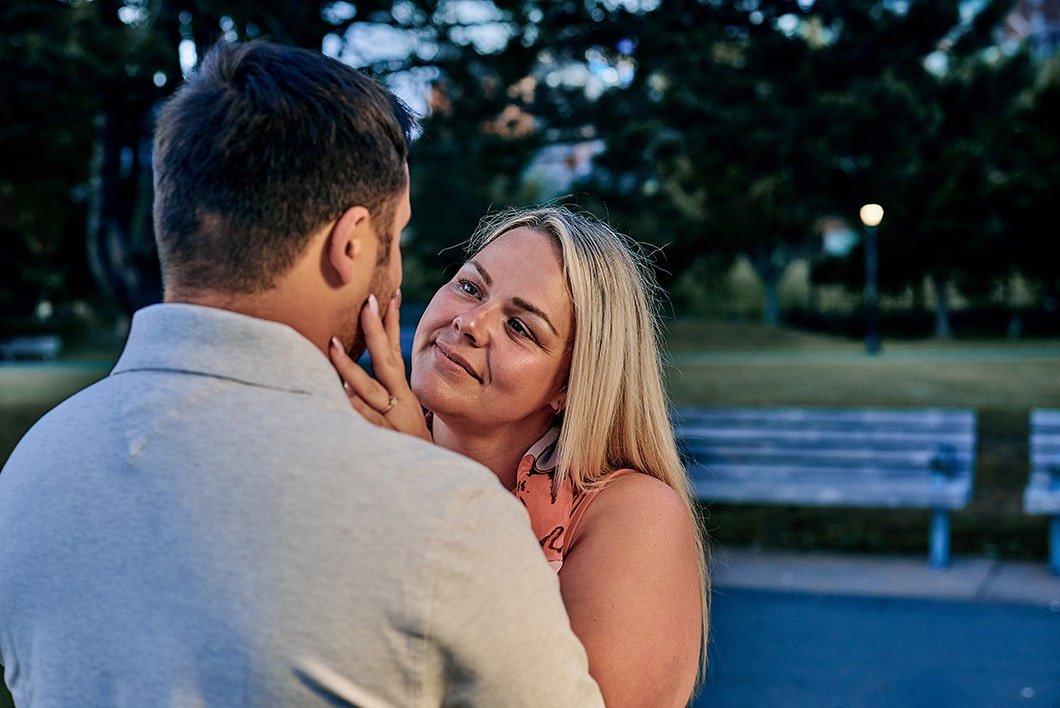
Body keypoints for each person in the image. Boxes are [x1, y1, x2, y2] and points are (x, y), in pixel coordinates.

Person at [0, 41, 604, 707]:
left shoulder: (29, 475)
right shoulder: (443, 517)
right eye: (394, 238)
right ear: (349, 245)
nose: (399, 271)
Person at [333, 205, 710, 707]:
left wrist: (426, 482)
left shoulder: (634, 515)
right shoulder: (354, 448)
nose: (469, 322)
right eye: (470, 287)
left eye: (520, 327)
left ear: (571, 386)